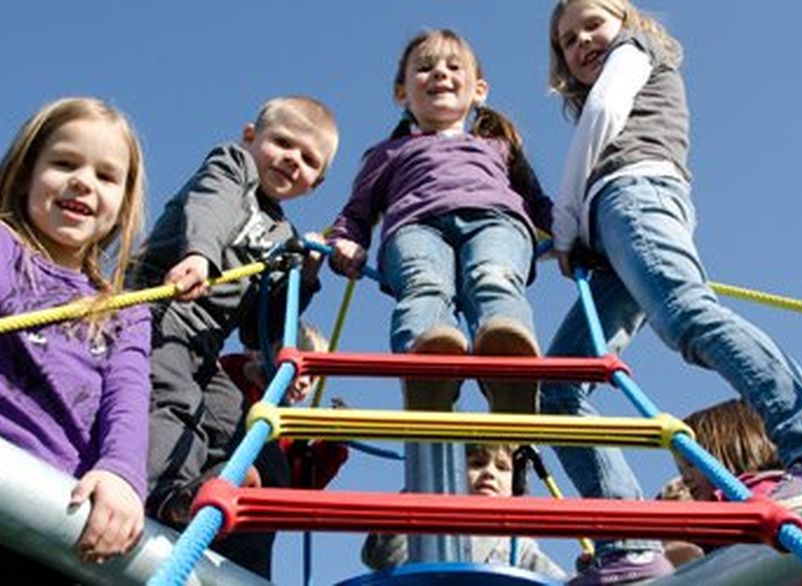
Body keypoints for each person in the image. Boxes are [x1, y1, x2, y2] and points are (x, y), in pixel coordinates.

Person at [540, 1, 802, 583]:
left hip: (635, 198)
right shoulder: (625, 63)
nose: (582, 42)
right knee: (560, 387)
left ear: (626, 20)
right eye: (568, 41)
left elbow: (601, 114)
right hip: (613, 228)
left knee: (687, 315)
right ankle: (628, 543)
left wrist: (566, 222)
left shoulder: (636, 53)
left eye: (593, 23)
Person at [129, 96, 338, 577]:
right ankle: (163, 492)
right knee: (173, 397)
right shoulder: (233, 166)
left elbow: (256, 328)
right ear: (251, 137)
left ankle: (211, 489)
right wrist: (200, 253)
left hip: (204, 345)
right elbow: (211, 204)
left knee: (231, 415)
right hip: (158, 310)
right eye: (283, 143)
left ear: (317, 182)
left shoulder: (285, 235)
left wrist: (304, 275)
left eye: (308, 159)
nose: (292, 159)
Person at [329, 29, 552, 414]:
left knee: (493, 275)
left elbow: (537, 202)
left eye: (453, 66)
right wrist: (348, 239)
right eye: (425, 68)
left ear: (479, 89)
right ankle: (428, 358)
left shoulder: (498, 146)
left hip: (496, 221)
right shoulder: (389, 152)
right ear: (402, 93)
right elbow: (357, 210)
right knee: (423, 284)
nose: (440, 74)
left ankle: (508, 367)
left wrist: (571, 238)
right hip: (416, 226)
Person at [0, 97, 150, 578]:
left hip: (60, 511)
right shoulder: (5, 249)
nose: (83, 181)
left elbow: (126, 399)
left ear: (123, 203)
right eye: (64, 163)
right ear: (24, 175)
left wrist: (122, 474)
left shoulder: (124, 311)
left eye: (107, 176)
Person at [361, 443, 568, 581]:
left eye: (502, 467)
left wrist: (585, 574)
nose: (489, 473)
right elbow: (385, 557)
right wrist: (416, 493)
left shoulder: (517, 544)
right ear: (453, 474)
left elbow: (557, 580)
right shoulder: (427, 526)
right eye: (477, 464)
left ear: (517, 484)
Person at [219, 321, 349, 491]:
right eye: (302, 369)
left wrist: (335, 442)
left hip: (264, 495)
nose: (305, 383)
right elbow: (222, 373)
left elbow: (306, 480)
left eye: (312, 379)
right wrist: (249, 370)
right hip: (229, 468)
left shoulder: (289, 430)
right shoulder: (241, 380)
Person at [662, 399, 787, 567]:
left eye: (691, 464)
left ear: (732, 447)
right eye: (681, 470)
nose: (686, 477)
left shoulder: (759, 491)